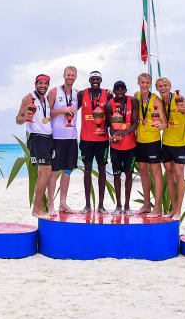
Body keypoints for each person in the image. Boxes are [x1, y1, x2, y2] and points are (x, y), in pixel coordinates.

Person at [156, 77, 185, 220]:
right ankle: (173, 209)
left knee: (179, 175)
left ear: (170, 86)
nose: (163, 88)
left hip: (181, 143)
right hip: (166, 143)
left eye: (165, 85)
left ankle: (178, 211)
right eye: (160, 86)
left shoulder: (179, 99)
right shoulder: (159, 102)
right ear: (157, 88)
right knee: (168, 174)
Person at [15, 74, 53, 217]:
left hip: (48, 138)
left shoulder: (46, 99)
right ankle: (37, 210)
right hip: (37, 138)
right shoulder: (28, 98)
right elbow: (18, 119)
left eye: (45, 83)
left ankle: (38, 208)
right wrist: (25, 118)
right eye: (40, 83)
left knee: (46, 173)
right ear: (35, 84)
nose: (43, 86)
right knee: (44, 171)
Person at [76, 71, 113, 213]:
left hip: (102, 139)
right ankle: (87, 205)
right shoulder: (82, 94)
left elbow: (113, 113)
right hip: (86, 139)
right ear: (90, 80)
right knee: (87, 170)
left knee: (102, 170)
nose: (95, 81)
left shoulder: (107, 94)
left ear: (101, 80)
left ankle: (101, 205)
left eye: (98, 79)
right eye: (93, 79)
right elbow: (73, 110)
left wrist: (107, 127)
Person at [134, 73, 167, 218]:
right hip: (139, 140)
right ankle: (146, 204)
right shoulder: (136, 96)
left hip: (153, 141)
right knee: (142, 170)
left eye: (147, 83)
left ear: (150, 84)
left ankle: (157, 207)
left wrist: (159, 125)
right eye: (142, 82)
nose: (145, 85)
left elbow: (164, 124)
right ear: (138, 83)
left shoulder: (156, 101)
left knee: (155, 171)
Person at [47, 66, 79, 213]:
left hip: (71, 138)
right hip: (56, 138)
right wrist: (63, 110)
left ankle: (63, 203)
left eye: (73, 75)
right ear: (63, 76)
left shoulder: (77, 94)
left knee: (67, 171)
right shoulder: (54, 91)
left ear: (75, 77)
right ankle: (51, 204)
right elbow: (47, 112)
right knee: (54, 171)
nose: (70, 77)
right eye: (68, 75)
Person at [105, 80, 139, 215]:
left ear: (125, 90)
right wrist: (114, 136)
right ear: (114, 91)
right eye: (117, 90)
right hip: (116, 147)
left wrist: (124, 133)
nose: (119, 92)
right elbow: (108, 124)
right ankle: (118, 206)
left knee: (129, 175)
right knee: (117, 175)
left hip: (130, 146)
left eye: (122, 89)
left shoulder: (133, 101)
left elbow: (135, 122)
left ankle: (127, 206)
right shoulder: (109, 104)